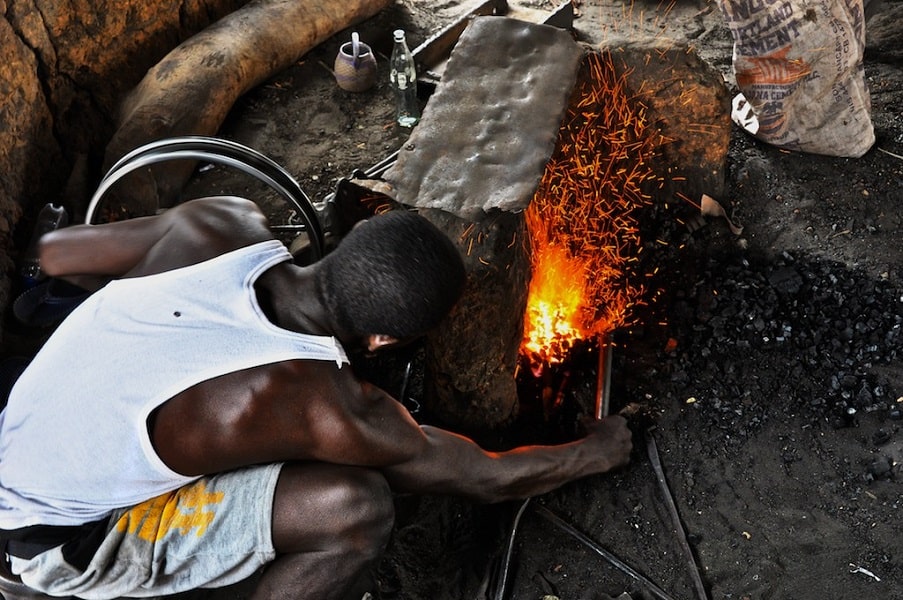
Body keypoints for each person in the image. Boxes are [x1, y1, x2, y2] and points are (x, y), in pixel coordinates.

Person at [0, 196, 633, 600]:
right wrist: (595, 451)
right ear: (384, 339)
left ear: (355, 230)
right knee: (353, 507)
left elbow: (58, 254)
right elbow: (483, 477)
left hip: (15, 437)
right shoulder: (324, 406)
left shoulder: (220, 220)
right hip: (51, 538)